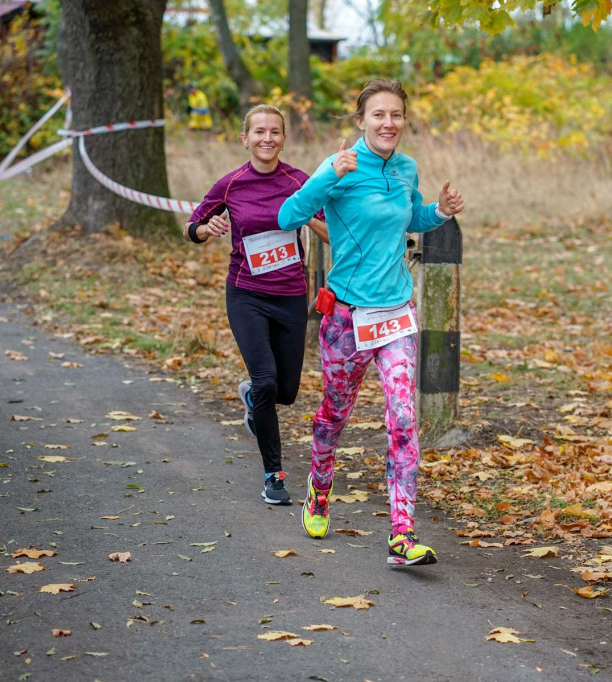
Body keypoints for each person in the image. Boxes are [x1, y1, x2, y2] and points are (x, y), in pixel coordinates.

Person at [277, 78, 464, 567]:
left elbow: (410, 218)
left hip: (396, 313)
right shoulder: (340, 166)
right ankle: (319, 487)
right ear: (361, 120)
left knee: (403, 418)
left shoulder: (406, 168)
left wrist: (439, 212)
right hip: (346, 317)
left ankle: (402, 534)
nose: (388, 123)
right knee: (334, 415)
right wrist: (327, 176)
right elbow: (288, 215)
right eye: (378, 114)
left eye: (396, 114)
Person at [184, 104, 327, 506]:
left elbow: (331, 233)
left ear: (284, 139)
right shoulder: (231, 184)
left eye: (275, 131)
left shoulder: (300, 181)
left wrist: (306, 214)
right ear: (245, 139)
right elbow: (191, 227)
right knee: (266, 381)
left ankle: (253, 398)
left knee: (286, 391)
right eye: (259, 132)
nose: (267, 138)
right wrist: (206, 228)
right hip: (245, 293)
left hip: (290, 295)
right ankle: (273, 475)